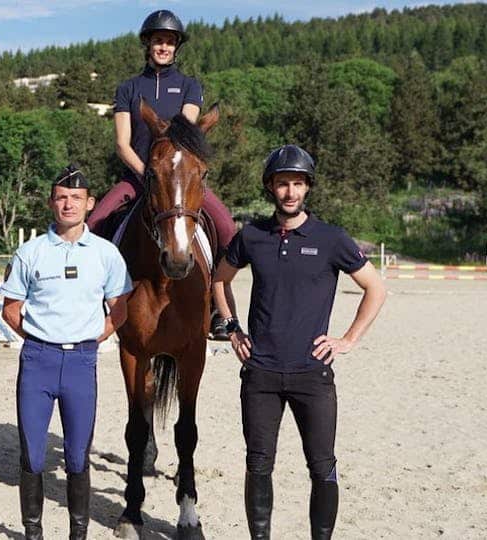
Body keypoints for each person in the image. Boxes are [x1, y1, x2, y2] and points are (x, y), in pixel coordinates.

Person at [212, 145, 387, 540]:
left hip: (313, 374)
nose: (290, 192)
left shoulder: (331, 238)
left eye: (297, 184)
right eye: (282, 184)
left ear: (307, 187)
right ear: (270, 188)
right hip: (260, 374)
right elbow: (219, 280)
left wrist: (348, 339)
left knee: (322, 464)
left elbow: (375, 288)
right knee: (259, 464)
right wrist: (232, 326)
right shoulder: (251, 236)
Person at [87, 9, 239, 339]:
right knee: (94, 223)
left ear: (176, 48)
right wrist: (148, 175)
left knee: (227, 227)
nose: (164, 47)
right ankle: (94, 300)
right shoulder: (128, 88)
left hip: (180, 178)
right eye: (158, 41)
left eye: (169, 42)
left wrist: (167, 177)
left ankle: (218, 304)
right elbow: (122, 143)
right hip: (139, 173)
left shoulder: (189, 87)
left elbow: (184, 133)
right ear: (148, 44)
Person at [1, 165, 133, 540]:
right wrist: (40, 337)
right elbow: (11, 309)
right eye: (61, 197)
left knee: (77, 456)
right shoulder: (30, 252)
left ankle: (78, 534)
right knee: (34, 456)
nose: (68, 204)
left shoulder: (106, 254)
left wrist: (95, 337)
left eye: (76, 198)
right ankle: (33, 533)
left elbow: (120, 308)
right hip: (38, 362)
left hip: (81, 363)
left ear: (90, 203)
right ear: (51, 203)